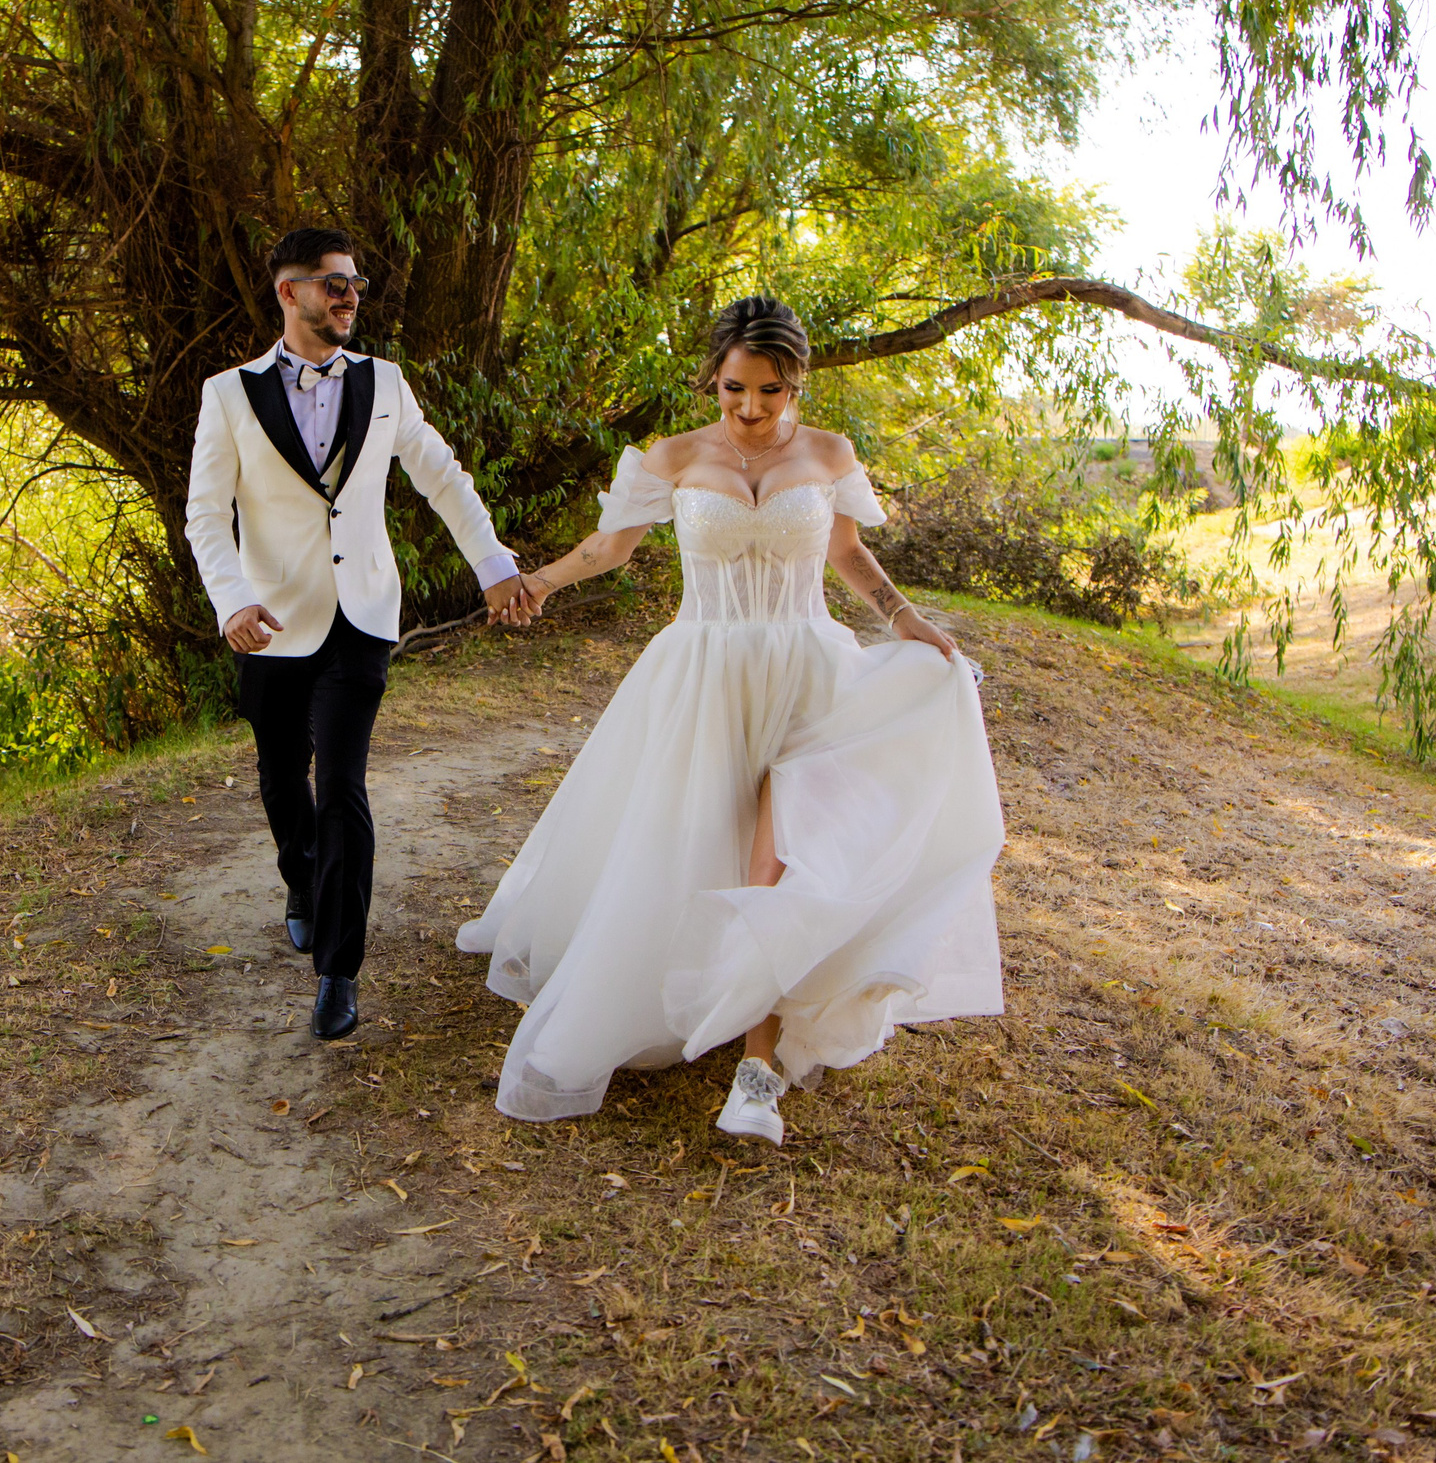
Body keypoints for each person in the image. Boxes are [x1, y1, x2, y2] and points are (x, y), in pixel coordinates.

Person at [455, 296, 1006, 1142]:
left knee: (781, 849)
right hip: (702, 672)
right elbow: (608, 549)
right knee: (698, 835)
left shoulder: (829, 455)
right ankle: (703, 987)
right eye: (734, 390)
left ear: (798, 385)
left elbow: (849, 554)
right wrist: (539, 582)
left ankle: (756, 1068)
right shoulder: (671, 457)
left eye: (772, 392)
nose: (751, 410)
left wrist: (907, 622)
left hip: (808, 671)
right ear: (714, 378)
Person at [185, 227, 534, 1042]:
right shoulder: (229, 395)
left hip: (362, 616)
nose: (348, 295)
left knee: (343, 784)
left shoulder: (387, 383)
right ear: (289, 293)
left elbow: (441, 474)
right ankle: (300, 880)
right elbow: (206, 514)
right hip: (267, 621)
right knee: (283, 778)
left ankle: (338, 971)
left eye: (354, 283)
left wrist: (490, 561)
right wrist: (230, 599)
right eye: (331, 283)